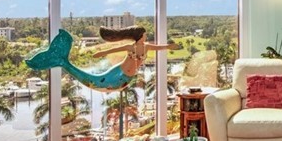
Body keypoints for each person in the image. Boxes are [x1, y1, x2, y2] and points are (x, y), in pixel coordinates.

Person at [25, 26, 174, 92]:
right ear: (139, 36)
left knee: (98, 84)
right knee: (95, 81)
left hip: (125, 80)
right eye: (144, 34)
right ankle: (60, 60)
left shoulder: (147, 47)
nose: (146, 37)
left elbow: (160, 47)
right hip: (116, 76)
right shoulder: (130, 47)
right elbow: (113, 49)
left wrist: (170, 46)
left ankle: (61, 61)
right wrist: (99, 54)